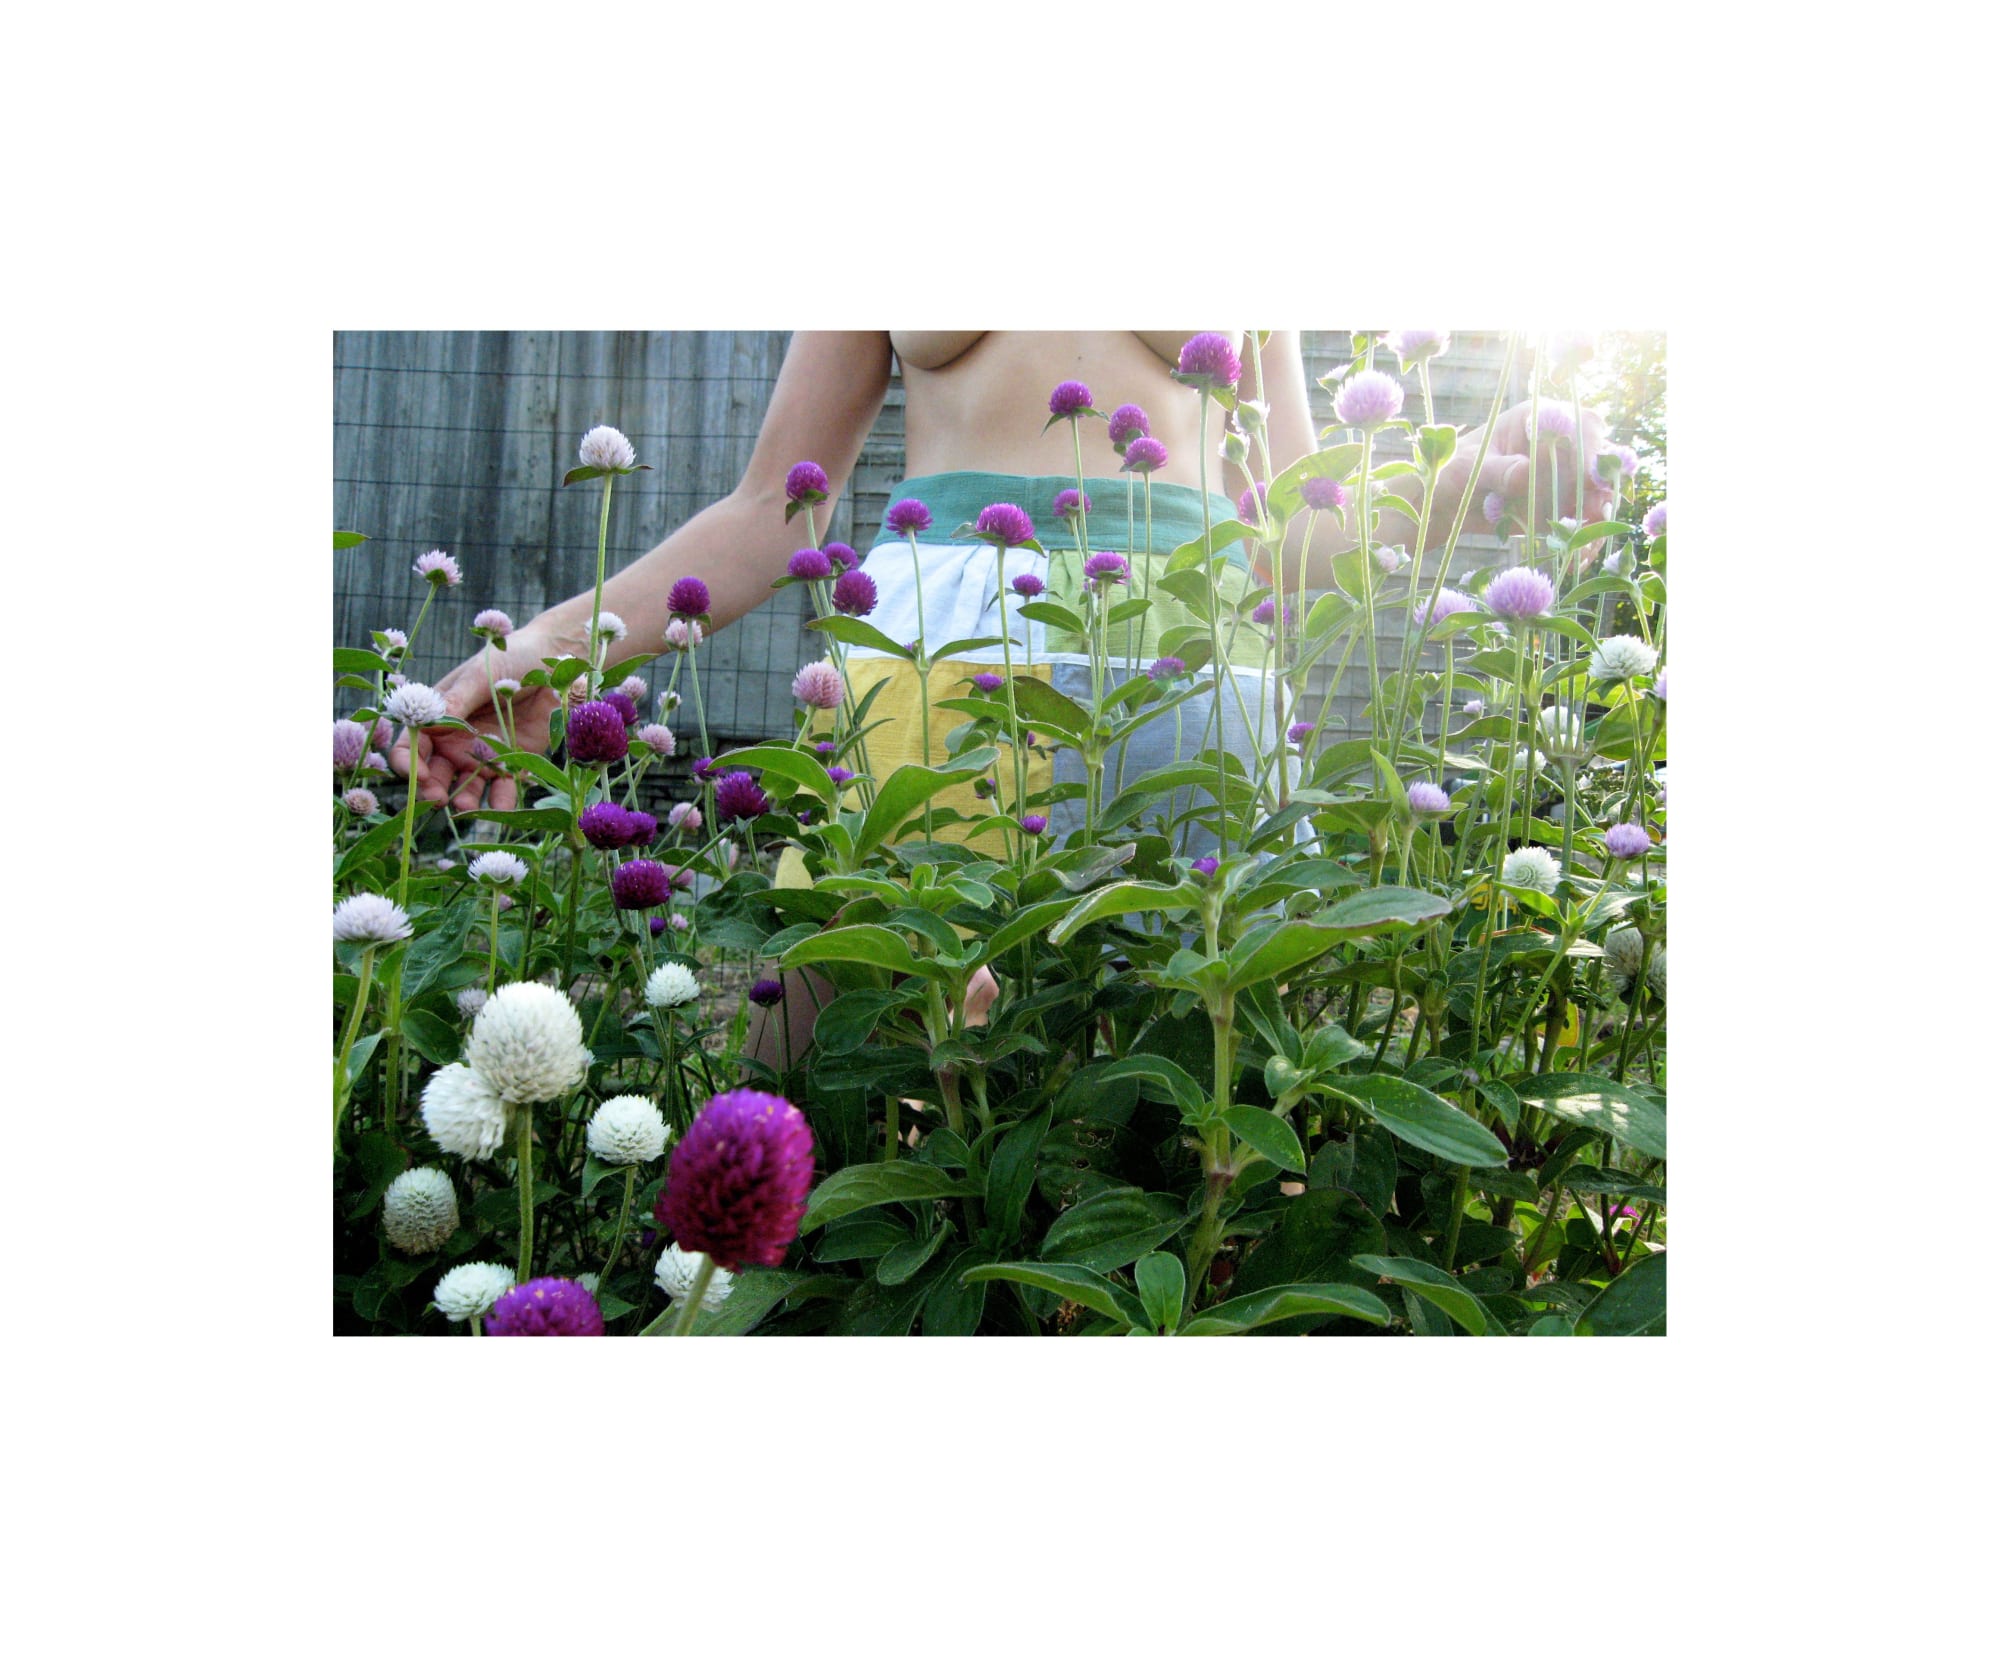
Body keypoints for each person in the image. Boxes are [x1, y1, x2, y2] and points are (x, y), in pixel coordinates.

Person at [391, 331, 1612, 1059]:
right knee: (840, 1074)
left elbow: (1302, 521)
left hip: (1195, 682)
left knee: (1200, 1101)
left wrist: (1468, 483)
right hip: (933, 669)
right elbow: (782, 501)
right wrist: (557, 643)